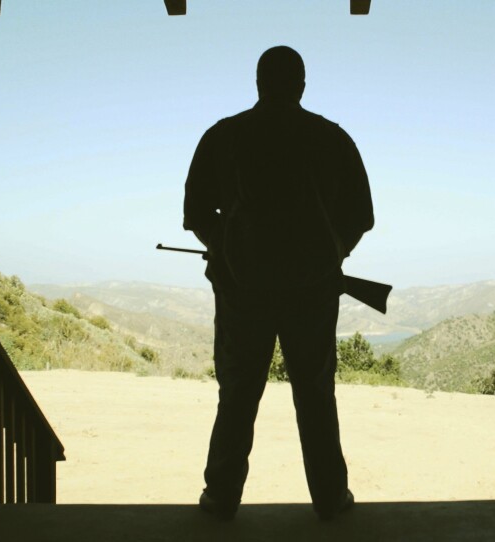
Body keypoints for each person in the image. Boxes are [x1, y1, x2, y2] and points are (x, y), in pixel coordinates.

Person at [182, 45, 374, 521]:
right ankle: (330, 497)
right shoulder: (332, 139)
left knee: (237, 394)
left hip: (241, 294)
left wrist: (226, 250)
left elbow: (196, 213)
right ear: (302, 86)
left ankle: (221, 497)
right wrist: (331, 256)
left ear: (258, 82)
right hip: (313, 293)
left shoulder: (223, 136)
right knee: (315, 395)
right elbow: (361, 217)